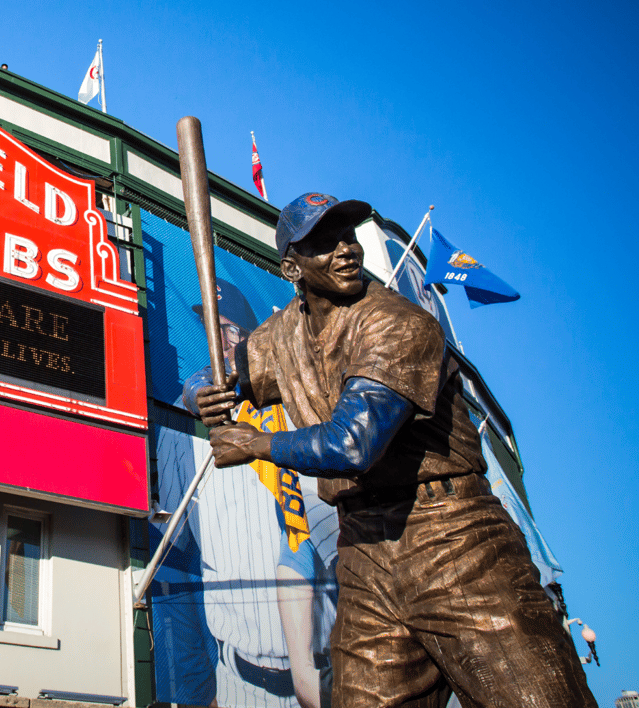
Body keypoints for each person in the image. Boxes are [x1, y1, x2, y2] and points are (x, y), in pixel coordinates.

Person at [184, 192, 596, 708]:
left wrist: (256, 443)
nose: (346, 249)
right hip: (362, 550)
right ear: (292, 266)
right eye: (324, 242)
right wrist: (204, 391)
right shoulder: (280, 335)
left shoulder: (396, 321)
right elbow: (214, 375)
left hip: (453, 536)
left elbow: (354, 444)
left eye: (348, 235)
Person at [171, 280, 337, 708]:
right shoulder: (178, 423)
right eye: (208, 330)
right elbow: (177, 565)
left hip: (336, 672)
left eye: (230, 332)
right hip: (237, 682)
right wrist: (191, 692)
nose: (220, 343)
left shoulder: (298, 407)